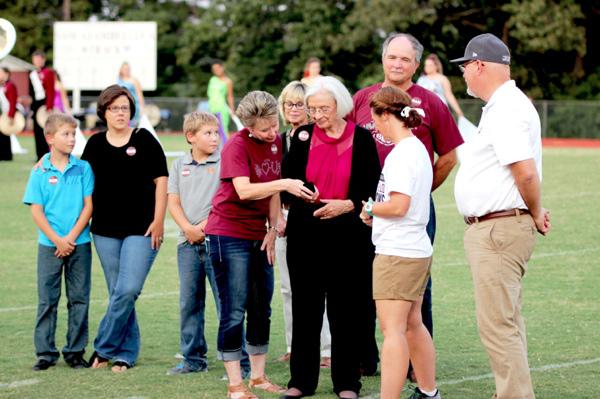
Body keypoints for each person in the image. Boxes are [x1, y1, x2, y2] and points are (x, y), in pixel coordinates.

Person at [347, 33, 464, 376]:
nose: (397, 64)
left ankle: (415, 365)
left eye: (405, 59)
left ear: (416, 64)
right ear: (383, 59)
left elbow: (449, 156)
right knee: (363, 282)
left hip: (408, 211)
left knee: (415, 290)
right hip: (366, 208)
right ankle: (365, 358)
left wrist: (418, 191)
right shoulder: (362, 98)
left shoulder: (430, 102)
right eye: (392, 57)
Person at [450, 33, 551, 399]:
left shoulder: (507, 107)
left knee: (497, 325)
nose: (463, 75)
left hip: (498, 228)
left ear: (479, 65)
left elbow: (524, 171)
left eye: (465, 67)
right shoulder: (504, 105)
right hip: (499, 226)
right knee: (506, 321)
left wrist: (536, 211)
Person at [204, 91, 316, 399]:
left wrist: (272, 226)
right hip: (228, 234)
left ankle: (257, 377)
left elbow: (272, 192)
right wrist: (284, 184)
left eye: (273, 126)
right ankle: (234, 383)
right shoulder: (235, 147)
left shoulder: (276, 142)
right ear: (248, 126)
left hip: (258, 235)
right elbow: (244, 190)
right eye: (263, 129)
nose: (271, 134)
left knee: (260, 307)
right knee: (234, 309)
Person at [281, 76, 381, 399]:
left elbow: (372, 186)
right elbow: (288, 180)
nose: (317, 115)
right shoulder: (302, 136)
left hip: (349, 234)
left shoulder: (363, 139)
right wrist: (304, 193)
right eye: (312, 109)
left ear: (340, 105)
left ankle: (347, 382)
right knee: (306, 310)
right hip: (306, 233)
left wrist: (348, 205)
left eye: (323, 108)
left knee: (346, 311)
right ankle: (301, 381)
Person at [360, 86, 440, 399]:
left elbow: (398, 206)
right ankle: (428, 391)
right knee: (412, 323)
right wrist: (376, 212)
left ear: (385, 114)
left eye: (375, 119)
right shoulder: (417, 148)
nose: (374, 126)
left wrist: (369, 209)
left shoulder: (402, 154)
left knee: (392, 330)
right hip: (415, 247)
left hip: (397, 251)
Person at [81, 84, 168, 372]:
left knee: (128, 289)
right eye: (115, 108)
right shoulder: (94, 144)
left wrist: (158, 220)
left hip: (141, 228)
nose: (121, 113)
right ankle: (125, 354)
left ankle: (103, 348)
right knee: (118, 291)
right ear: (103, 111)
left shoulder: (144, 140)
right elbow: (79, 178)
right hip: (104, 229)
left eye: (125, 108)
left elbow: (162, 181)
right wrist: (44, 162)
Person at [22, 113, 94, 371]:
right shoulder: (40, 171)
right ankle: (45, 353)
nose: (72, 139)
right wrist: (57, 240)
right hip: (49, 245)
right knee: (47, 300)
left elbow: (88, 207)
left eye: (74, 134)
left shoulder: (83, 168)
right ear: (50, 138)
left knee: (79, 299)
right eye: (66, 134)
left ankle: (75, 352)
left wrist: (71, 238)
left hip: (80, 244)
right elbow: (37, 211)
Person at [275, 81, 331, 368]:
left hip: (315, 215)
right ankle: (292, 345)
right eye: (289, 104)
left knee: (318, 285)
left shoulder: (319, 137)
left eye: (300, 104)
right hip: (283, 217)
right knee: (288, 287)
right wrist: (275, 217)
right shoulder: (278, 139)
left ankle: (326, 349)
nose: (294, 109)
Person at [166, 111, 221, 375]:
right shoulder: (179, 165)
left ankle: (236, 358)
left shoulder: (223, 163)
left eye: (216, 132)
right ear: (191, 137)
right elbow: (173, 201)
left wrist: (201, 227)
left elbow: (224, 203)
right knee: (189, 302)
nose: (215, 137)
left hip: (218, 241)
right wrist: (188, 229)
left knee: (226, 302)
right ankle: (193, 358)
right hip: (187, 243)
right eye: (208, 133)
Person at [417, 54, 464, 118]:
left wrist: (459, 112)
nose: (427, 67)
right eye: (426, 65)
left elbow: (449, 95)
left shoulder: (442, 79)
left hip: (439, 111)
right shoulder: (421, 79)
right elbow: (417, 96)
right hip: (424, 112)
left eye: (430, 65)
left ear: (436, 66)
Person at [29, 50, 55, 160]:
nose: (37, 61)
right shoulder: (31, 74)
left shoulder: (48, 72)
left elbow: (50, 90)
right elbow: (31, 92)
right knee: (36, 132)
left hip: (45, 104)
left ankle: (46, 155)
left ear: (43, 60)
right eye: (35, 59)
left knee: (45, 132)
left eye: (39, 59)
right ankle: (38, 155)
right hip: (36, 105)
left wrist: (49, 107)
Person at [207, 60, 235, 137]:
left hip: (221, 109)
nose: (216, 70)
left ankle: (227, 148)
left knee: (223, 130)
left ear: (222, 67)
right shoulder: (212, 79)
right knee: (211, 130)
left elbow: (230, 96)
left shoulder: (228, 81)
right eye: (214, 69)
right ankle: (215, 149)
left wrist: (232, 109)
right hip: (211, 108)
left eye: (218, 68)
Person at [117, 62, 145, 126]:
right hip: (122, 106)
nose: (126, 70)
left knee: (133, 126)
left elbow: (139, 94)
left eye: (128, 69)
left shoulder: (134, 80)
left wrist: (142, 108)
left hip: (134, 105)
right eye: (124, 69)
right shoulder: (118, 80)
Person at [0, 66, 17, 160]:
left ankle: (6, 156)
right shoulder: (2, 85)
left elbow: (12, 101)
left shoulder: (10, 85)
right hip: (1, 114)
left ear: (6, 74)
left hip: (7, 114)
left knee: (5, 134)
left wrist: (11, 115)